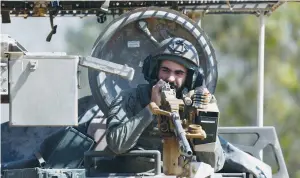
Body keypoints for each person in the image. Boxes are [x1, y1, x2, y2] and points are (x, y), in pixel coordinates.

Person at [105, 37, 272, 177]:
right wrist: (150, 109)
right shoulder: (130, 98)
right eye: (165, 70)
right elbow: (116, 145)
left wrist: (205, 140)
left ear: (189, 78)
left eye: (179, 73)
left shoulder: (196, 104)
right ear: (155, 70)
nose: (170, 78)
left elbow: (217, 163)